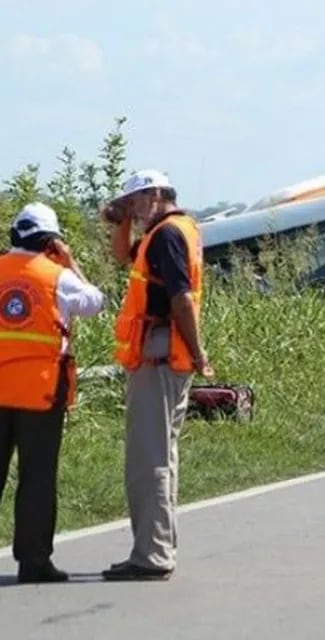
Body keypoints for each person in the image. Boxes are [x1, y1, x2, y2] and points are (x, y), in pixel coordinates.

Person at [100, 170, 213, 581]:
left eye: (135, 202)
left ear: (156, 195)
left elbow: (181, 298)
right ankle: (156, 548)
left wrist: (199, 353)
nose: (132, 209)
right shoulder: (170, 231)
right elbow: (120, 256)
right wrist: (123, 221)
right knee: (160, 455)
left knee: (149, 460)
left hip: (161, 353)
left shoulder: (167, 235)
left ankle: (152, 556)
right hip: (165, 354)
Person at [0, 203, 104, 583]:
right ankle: (33, 561)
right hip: (40, 396)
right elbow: (96, 302)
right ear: (50, 242)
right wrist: (71, 262)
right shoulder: (59, 276)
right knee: (37, 478)